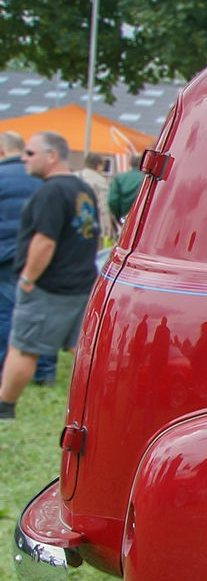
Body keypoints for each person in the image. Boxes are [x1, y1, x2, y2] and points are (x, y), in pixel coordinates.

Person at [0, 132, 100, 420]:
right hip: (80, 281)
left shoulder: (51, 192)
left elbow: (45, 240)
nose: (23, 158)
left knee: (23, 348)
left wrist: (29, 278)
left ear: (51, 156)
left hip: (50, 285)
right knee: (79, 349)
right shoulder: (83, 188)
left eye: (30, 153)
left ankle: (4, 406)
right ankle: (103, 399)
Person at [0, 132, 57, 385]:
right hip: (40, 252)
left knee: (7, 312)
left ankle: (5, 365)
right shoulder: (42, 179)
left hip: (5, 256)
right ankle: (44, 370)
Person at [107, 151, 146, 227]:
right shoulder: (146, 178)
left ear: (130, 164)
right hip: (142, 220)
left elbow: (112, 201)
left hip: (124, 219)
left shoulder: (119, 178)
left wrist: (119, 216)